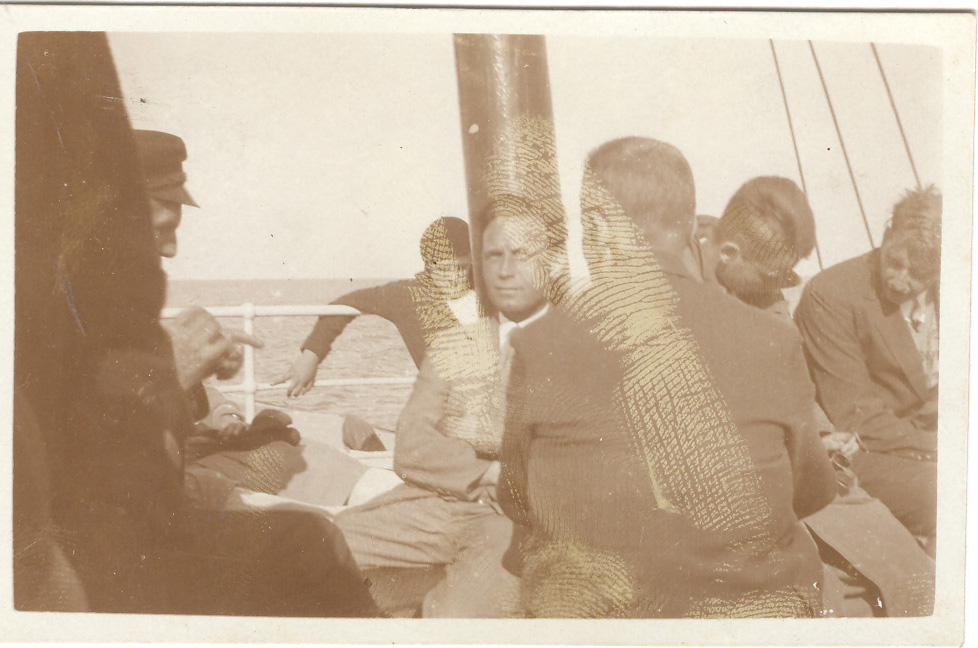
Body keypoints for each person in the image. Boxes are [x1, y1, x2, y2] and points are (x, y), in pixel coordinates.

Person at [500, 137, 836, 618]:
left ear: (597, 226)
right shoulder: (773, 339)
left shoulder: (538, 343)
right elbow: (811, 490)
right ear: (691, 224)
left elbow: (516, 497)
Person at [709, 176, 935, 617]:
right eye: (775, 276)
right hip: (746, 477)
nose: (779, 287)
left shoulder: (758, 285)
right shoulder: (676, 284)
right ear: (729, 254)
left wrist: (823, 433)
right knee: (830, 600)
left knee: (916, 579)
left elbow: (789, 372)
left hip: (806, 464)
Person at [333, 194, 553, 618]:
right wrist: (484, 473)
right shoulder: (454, 344)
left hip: (509, 520)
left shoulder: (573, 347)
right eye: (494, 257)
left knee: (461, 622)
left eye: (522, 256)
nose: (506, 271)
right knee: (317, 547)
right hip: (435, 504)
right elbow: (411, 445)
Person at [132, 129, 369, 510]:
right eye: (161, 229)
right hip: (137, 503)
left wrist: (205, 375)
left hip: (176, 468)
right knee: (309, 530)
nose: (172, 249)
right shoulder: (49, 320)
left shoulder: (113, 310)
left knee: (323, 472)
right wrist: (178, 374)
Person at [794, 186, 941, 553]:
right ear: (886, 235)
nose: (900, 280)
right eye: (894, 262)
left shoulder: (956, 294)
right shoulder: (831, 294)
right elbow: (857, 415)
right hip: (861, 454)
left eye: (918, 273)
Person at [280, 216, 475, 397]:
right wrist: (310, 356)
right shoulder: (406, 296)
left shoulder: (486, 287)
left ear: (472, 260)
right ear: (428, 266)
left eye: (461, 267)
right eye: (443, 270)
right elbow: (341, 306)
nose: (453, 278)